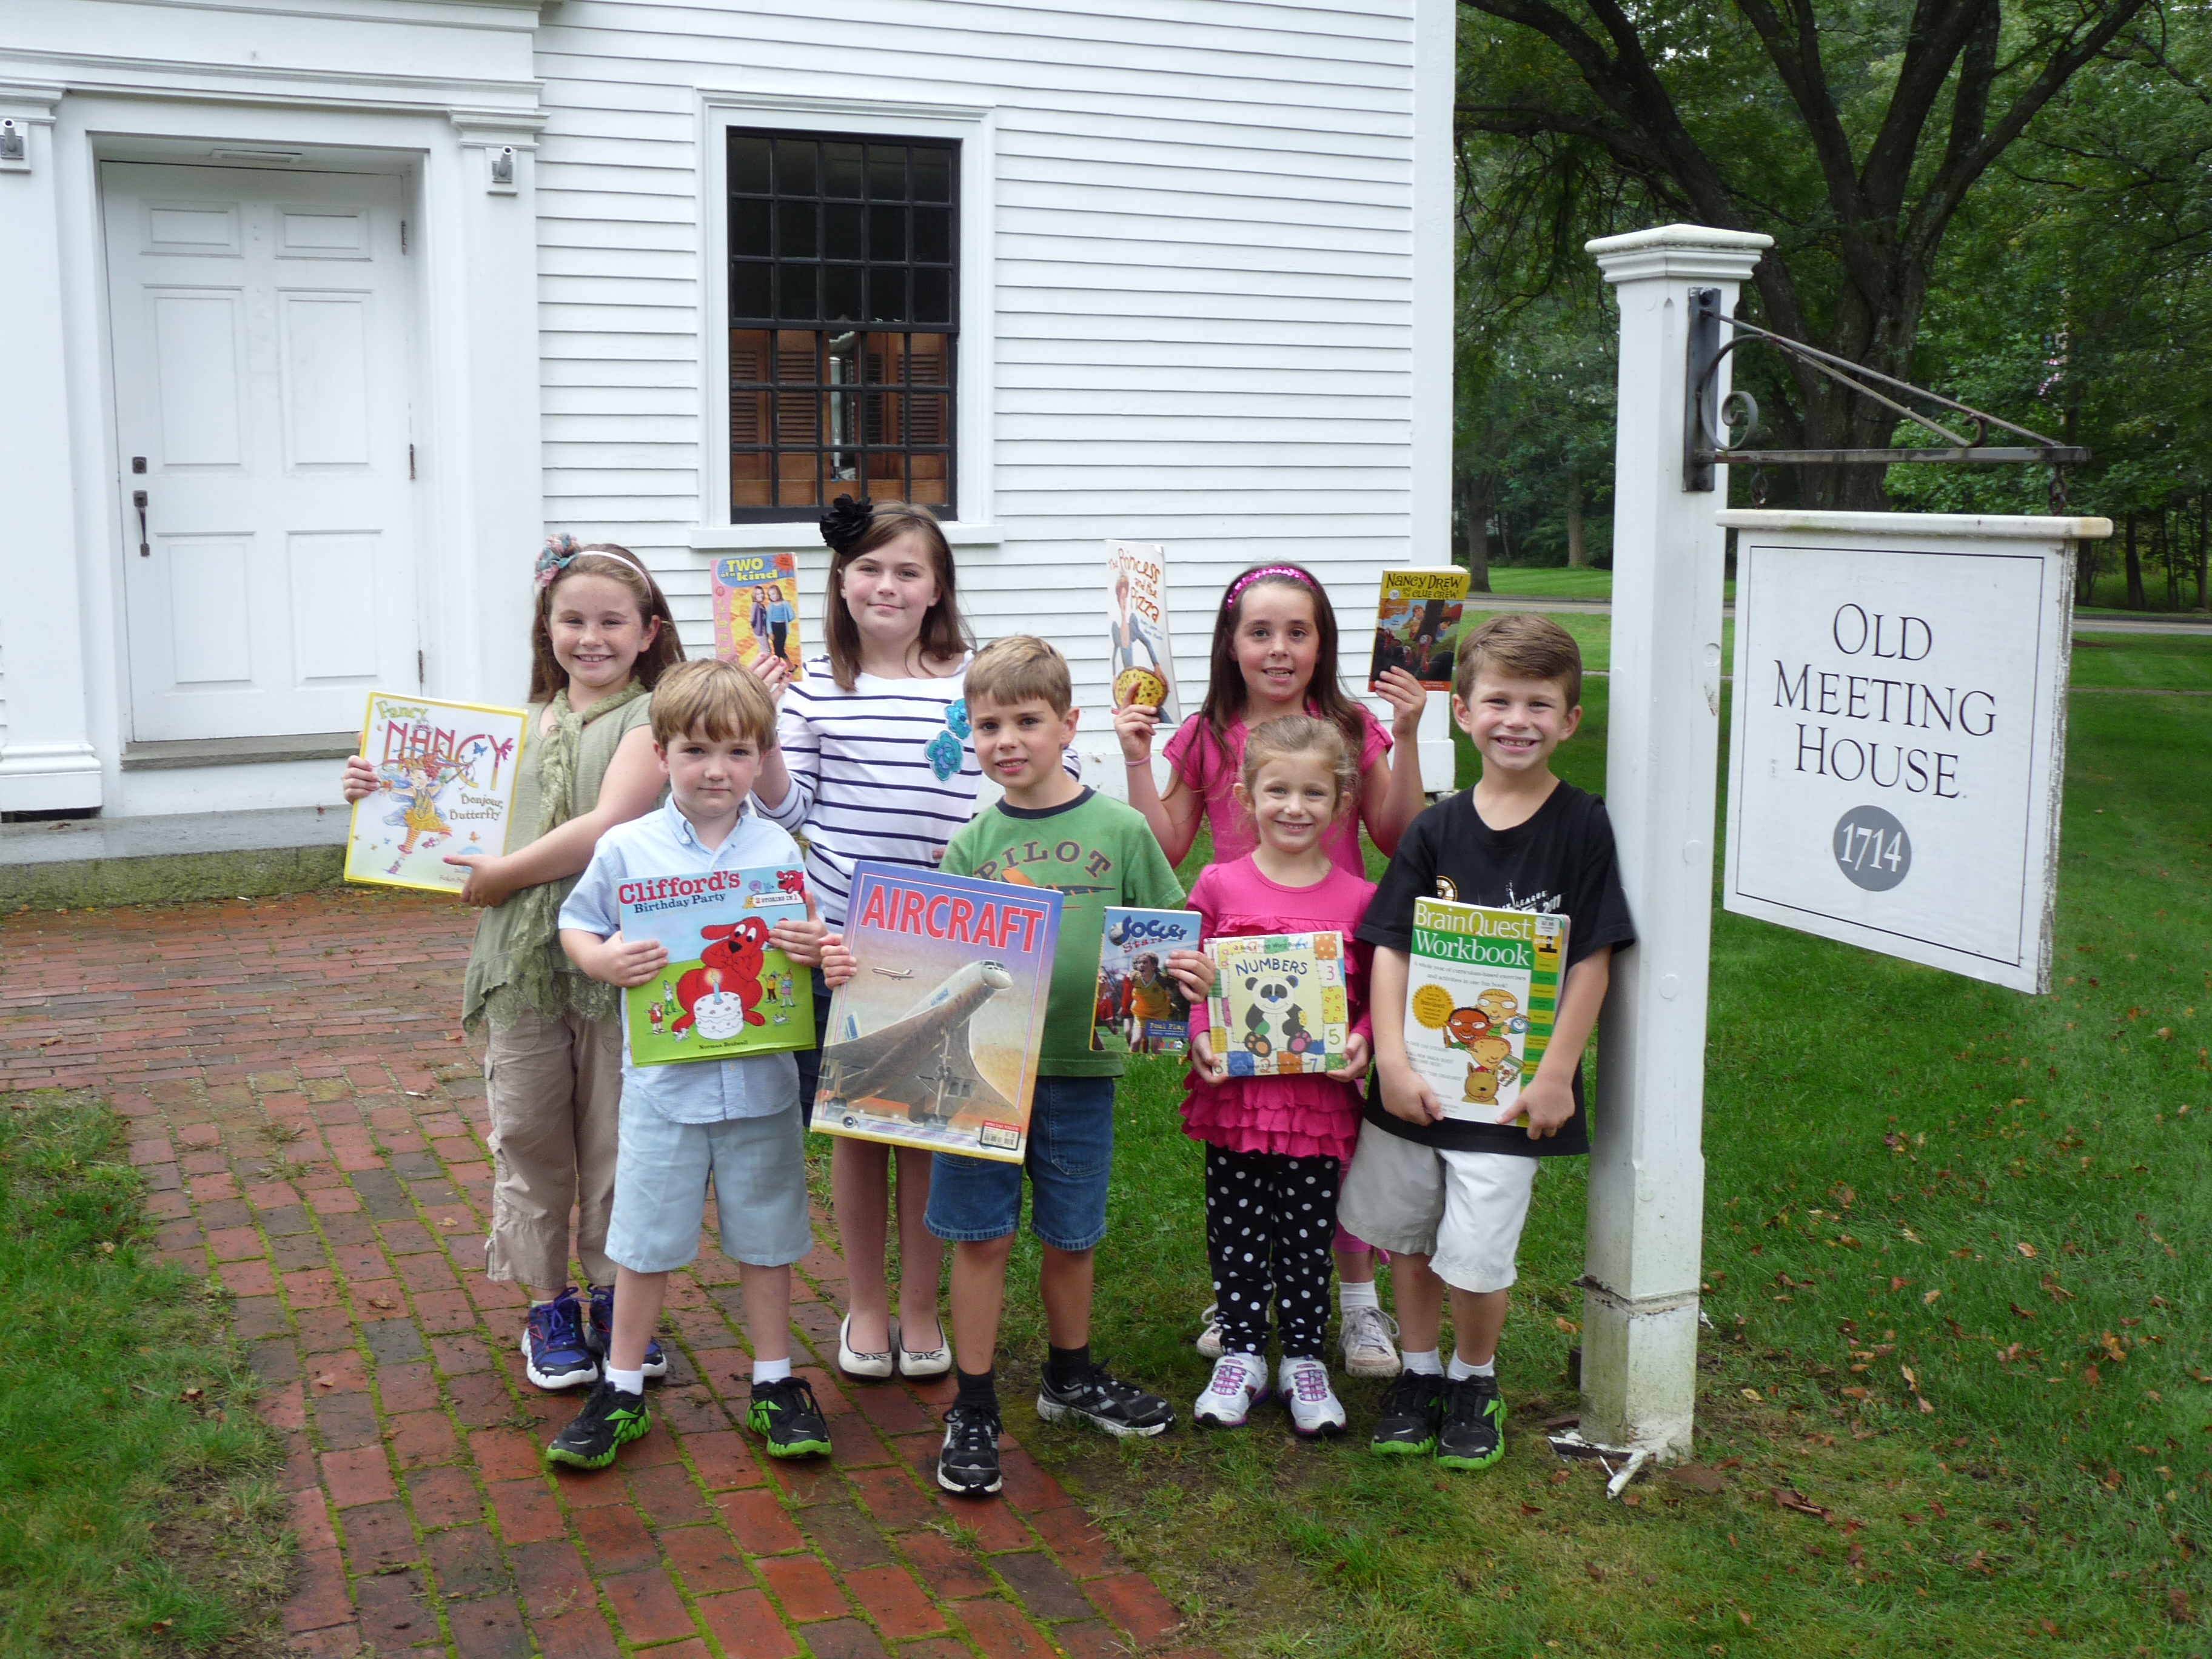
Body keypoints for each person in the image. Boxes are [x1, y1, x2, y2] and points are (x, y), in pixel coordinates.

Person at [832, 634, 1182, 1497]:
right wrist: (861, 968)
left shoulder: (1122, 829)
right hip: (980, 1077)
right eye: (988, 725)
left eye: (1028, 720)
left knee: (1072, 1236)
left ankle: (1071, 1375)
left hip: (1079, 1073)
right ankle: (976, 1403)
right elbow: (926, 960)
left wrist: (1180, 982)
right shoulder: (971, 844)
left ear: (1069, 726)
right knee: (980, 1237)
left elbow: (1165, 935)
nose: (1007, 741)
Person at [340, 537, 681, 1393]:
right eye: (572, 620)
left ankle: (615, 1296)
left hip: (616, 962)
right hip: (522, 966)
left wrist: (500, 876)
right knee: (529, 1134)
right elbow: (452, 817)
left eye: (611, 621)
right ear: (547, 626)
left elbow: (608, 824)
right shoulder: (511, 731)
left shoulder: (655, 722)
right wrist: (382, 789)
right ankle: (549, 1303)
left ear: (648, 633)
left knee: (615, 1139)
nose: (590, 637)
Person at [752, 497, 1053, 1383]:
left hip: (959, 929)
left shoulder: (975, 680)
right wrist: (766, 726)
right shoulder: (808, 686)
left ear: (937, 589)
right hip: (854, 939)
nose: (888, 585)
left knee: (932, 1125)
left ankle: (922, 1307)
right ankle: (868, 1306)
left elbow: (1007, 783)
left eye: (908, 571)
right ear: (842, 584)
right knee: (858, 1126)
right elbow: (787, 810)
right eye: (871, 569)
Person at [1115, 560, 1427, 1378]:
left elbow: (1397, 834)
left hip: (1336, 954)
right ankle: (1242, 1296)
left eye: (1298, 632)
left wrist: (1414, 732)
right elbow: (1169, 845)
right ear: (1231, 644)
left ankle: (1358, 1305)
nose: (1280, 649)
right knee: (1249, 1141)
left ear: (1322, 643)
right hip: (1240, 966)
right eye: (1261, 632)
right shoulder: (1210, 735)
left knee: (1338, 1137)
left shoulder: (1355, 727)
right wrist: (1139, 760)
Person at [1342, 615, 1632, 1470]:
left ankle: (1476, 1377)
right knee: (1410, 1233)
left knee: (1477, 1249)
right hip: (1416, 1087)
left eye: (1540, 704)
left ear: (1570, 721)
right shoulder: (1435, 830)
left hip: (1508, 1098)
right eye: (1498, 700)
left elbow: (1593, 956)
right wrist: (1392, 1061)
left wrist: (1555, 1076)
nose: (1518, 720)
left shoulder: (1583, 826)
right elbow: (1391, 944)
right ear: (1462, 712)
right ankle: (1420, 1374)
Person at [545, 660, 834, 1467]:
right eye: (698, 750)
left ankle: (774, 1381)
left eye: (740, 753)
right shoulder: (628, 847)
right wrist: (602, 964)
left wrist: (809, 948)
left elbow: (802, 938)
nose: (718, 770)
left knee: (768, 1233)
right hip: (666, 1088)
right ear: (663, 751)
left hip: (761, 1086)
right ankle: (624, 1386)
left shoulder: (777, 844)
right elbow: (578, 923)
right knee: (643, 1238)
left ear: (761, 756)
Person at [1178, 716, 1375, 1437]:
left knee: (1305, 1231)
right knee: (1234, 1229)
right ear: (1245, 796)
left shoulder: (1358, 898)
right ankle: (1240, 1351)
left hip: (1317, 1104)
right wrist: (1199, 1034)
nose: (1295, 807)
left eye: (1314, 793)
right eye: (1278, 791)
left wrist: (1364, 1039)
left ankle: (1302, 1356)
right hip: (1235, 1098)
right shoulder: (1218, 883)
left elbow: (1379, 995)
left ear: (1340, 800)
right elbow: (1191, 979)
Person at [765, 582, 796, 667]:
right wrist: (770, 632)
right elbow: (768, 620)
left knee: (780, 650)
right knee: (777, 650)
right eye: (770, 595)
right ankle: (789, 668)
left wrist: (785, 621)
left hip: (782, 628)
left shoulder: (785, 603)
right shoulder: (771, 605)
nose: (773, 596)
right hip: (774, 627)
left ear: (779, 593)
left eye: (774, 594)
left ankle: (789, 667)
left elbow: (792, 615)